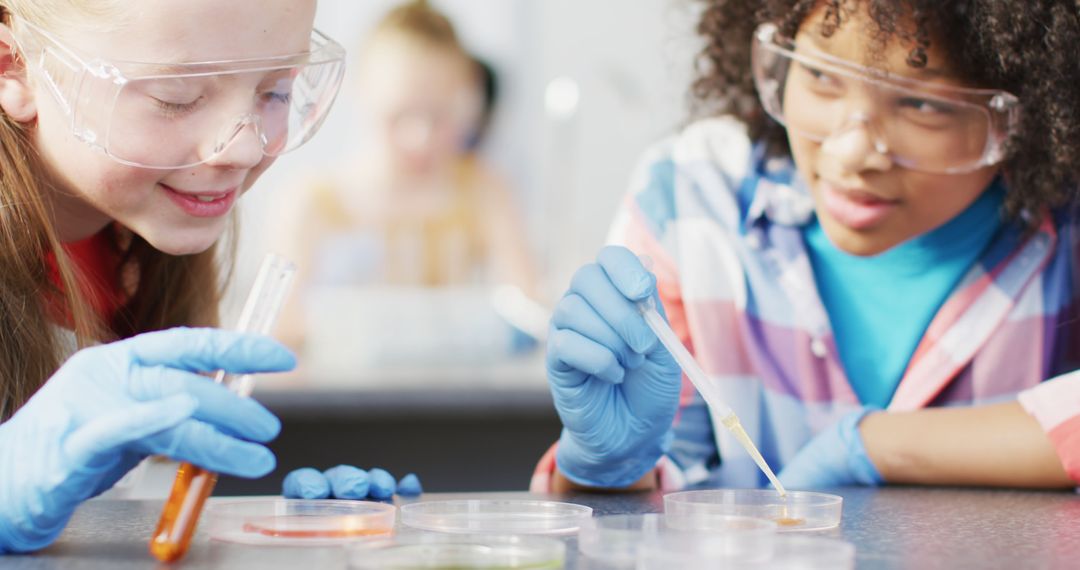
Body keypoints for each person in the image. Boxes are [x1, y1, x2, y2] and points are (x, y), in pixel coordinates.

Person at [535, 0, 1080, 494]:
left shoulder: (1066, 223)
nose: (851, 152)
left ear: (1027, 110)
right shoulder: (691, 196)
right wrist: (608, 469)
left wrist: (876, 445)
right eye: (820, 74)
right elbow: (638, 529)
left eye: (922, 103)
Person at [0, 0, 400, 554]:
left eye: (275, 91)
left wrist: (266, 527)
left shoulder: (144, 236)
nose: (242, 147)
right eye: (177, 98)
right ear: (13, 67)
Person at [271, 0, 539, 351]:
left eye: (440, 116)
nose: (421, 137)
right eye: (399, 116)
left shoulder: (483, 190)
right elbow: (281, 327)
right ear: (359, 89)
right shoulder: (313, 202)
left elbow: (530, 312)